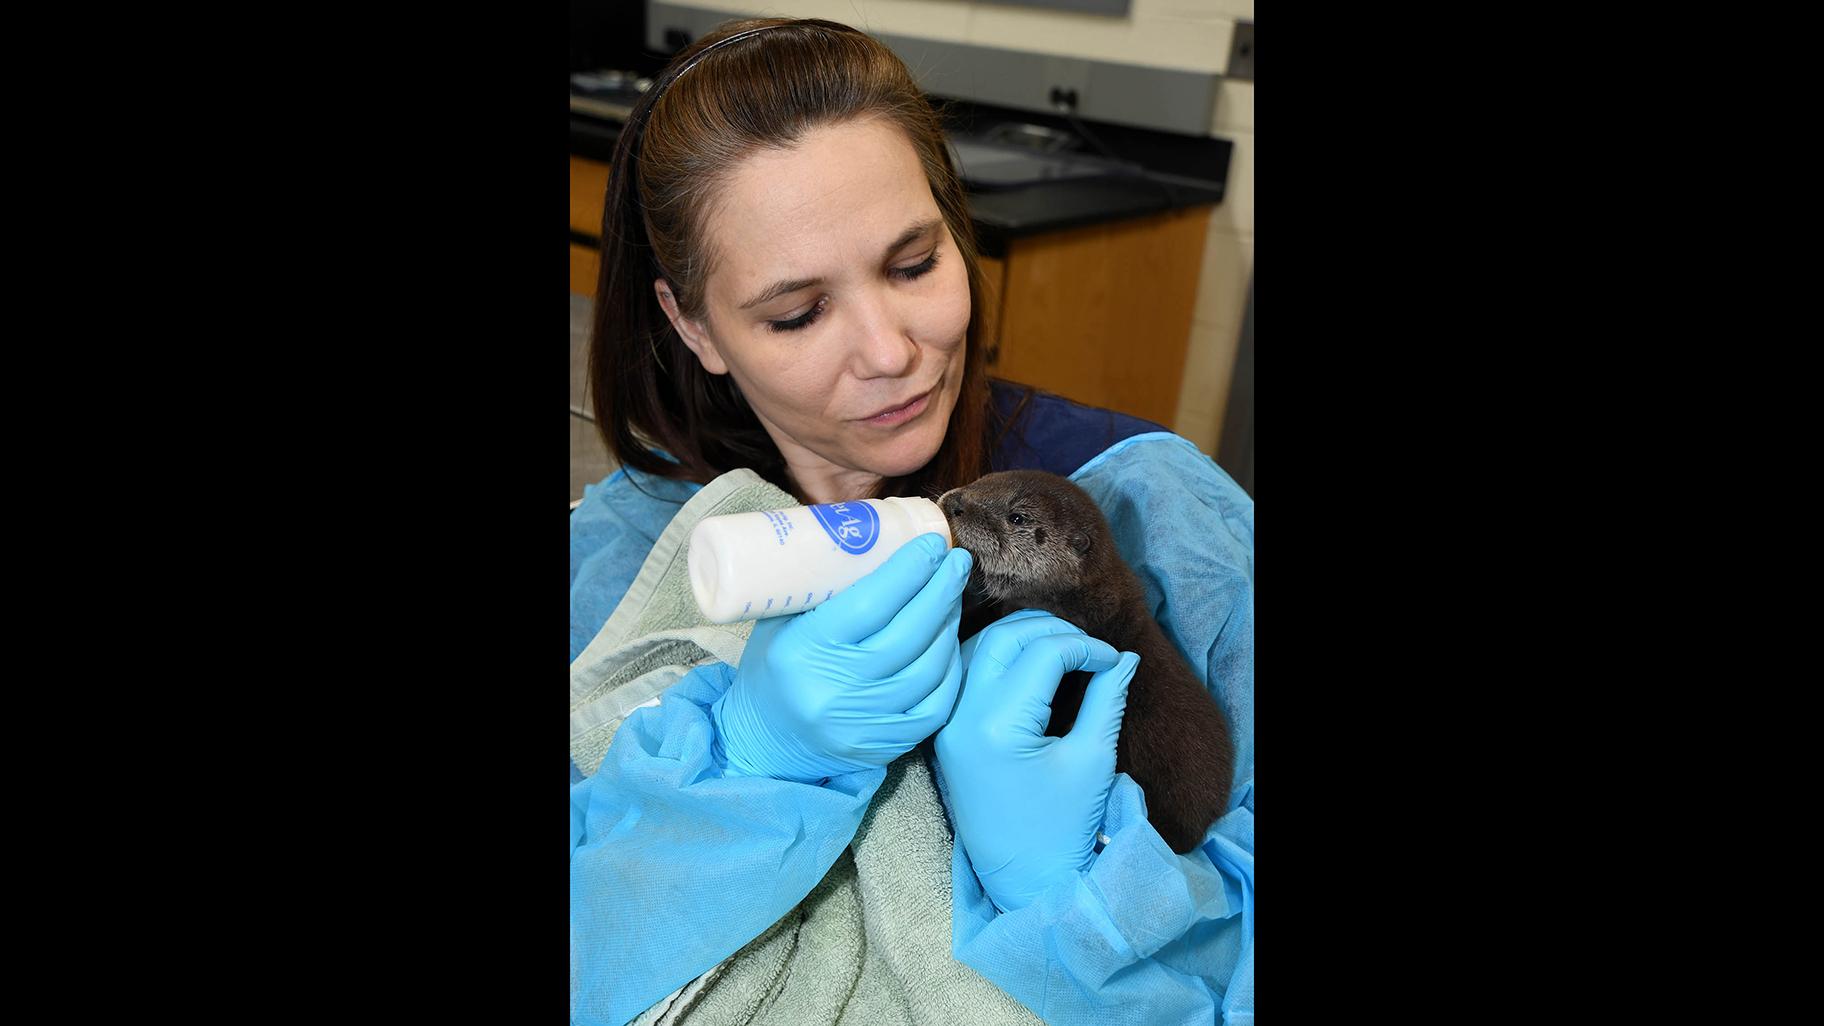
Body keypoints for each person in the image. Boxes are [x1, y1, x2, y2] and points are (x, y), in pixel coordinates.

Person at [570, 17, 1253, 1026]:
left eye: (915, 262)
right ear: (693, 326)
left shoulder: (1153, 510)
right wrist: (744, 767)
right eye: (797, 314)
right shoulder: (635, 545)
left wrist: (1072, 893)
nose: (891, 351)